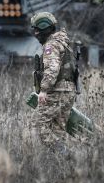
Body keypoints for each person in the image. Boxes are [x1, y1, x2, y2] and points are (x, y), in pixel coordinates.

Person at [30, 12, 77, 151]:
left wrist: (44, 90)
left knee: (38, 125)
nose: (35, 34)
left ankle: (65, 154)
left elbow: (52, 68)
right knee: (58, 130)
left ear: (44, 29)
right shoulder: (63, 42)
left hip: (57, 90)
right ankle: (61, 165)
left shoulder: (51, 45)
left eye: (37, 30)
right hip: (68, 91)